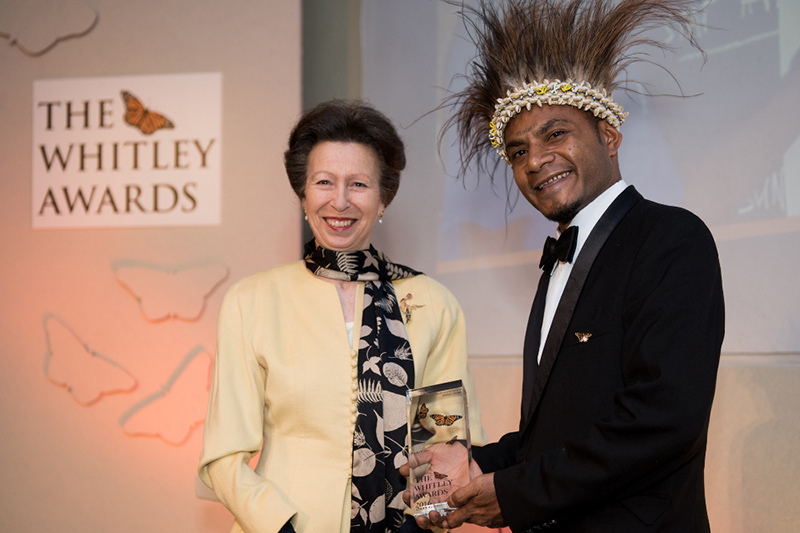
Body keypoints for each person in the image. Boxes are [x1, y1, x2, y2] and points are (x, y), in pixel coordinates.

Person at [408, 0, 725, 531]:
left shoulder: (671, 239)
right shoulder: (559, 261)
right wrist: (478, 463)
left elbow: (663, 422)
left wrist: (512, 492)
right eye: (516, 151)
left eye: (555, 134)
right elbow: (558, 432)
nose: (534, 160)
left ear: (609, 135)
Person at [198, 100, 486, 533]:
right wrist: (278, 525)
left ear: (384, 197)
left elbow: (444, 445)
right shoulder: (252, 300)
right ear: (303, 194)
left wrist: (418, 524)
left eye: (358, 184)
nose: (340, 201)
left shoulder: (432, 303)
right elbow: (224, 455)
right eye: (324, 182)